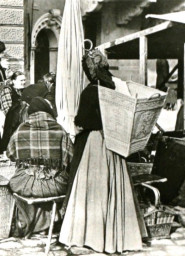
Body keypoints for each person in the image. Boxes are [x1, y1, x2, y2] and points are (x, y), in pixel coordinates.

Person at [59, 49, 143, 253]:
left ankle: (93, 236)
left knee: (93, 189)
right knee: (113, 186)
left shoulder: (91, 90)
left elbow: (84, 121)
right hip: (115, 142)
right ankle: (116, 236)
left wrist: (76, 122)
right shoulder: (117, 86)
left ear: (89, 70)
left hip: (95, 143)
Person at [7, 97, 73, 236]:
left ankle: (29, 223)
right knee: (64, 182)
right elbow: (70, 158)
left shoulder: (21, 130)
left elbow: (11, 154)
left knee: (16, 182)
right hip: (54, 186)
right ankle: (51, 221)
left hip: (25, 184)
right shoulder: (59, 130)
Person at [0, 71, 26, 153]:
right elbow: (7, 108)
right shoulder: (7, 90)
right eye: (21, 80)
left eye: (24, 80)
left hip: (17, 118)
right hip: (8, 118)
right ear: (13, 81)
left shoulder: (21, 91)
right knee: (8, 140)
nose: (23, 82)